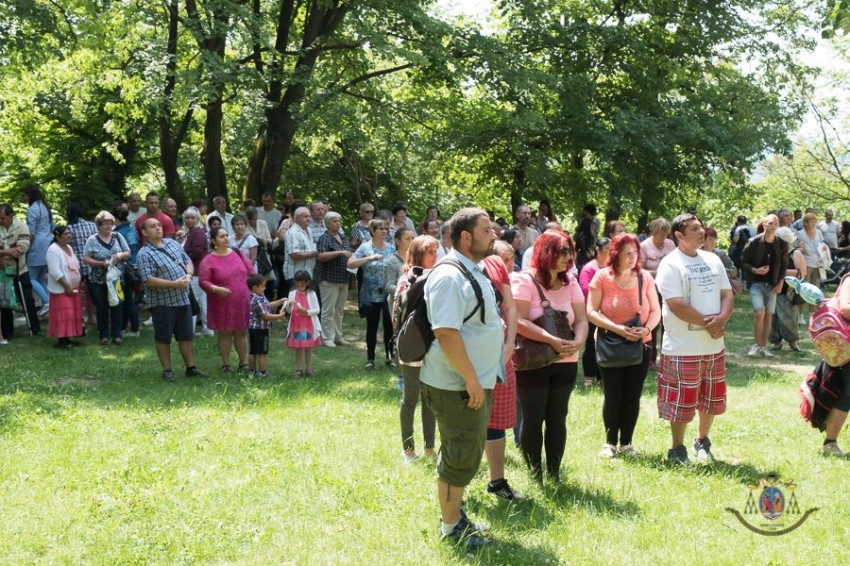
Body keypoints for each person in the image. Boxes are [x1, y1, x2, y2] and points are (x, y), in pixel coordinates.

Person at [419, 208, 503, 548]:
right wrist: (471, 380)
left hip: (469, 382)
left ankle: (454, 515)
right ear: (465, 237)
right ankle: (452, 528)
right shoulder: (450, 276)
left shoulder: (472, 270)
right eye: (486, 230)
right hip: (455, 385)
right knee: (460, 454)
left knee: (461, 450)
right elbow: (446, 332)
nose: (494, 235)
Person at [655, 214, 733, 464]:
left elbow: (727, 294)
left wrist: (721, 320)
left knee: (711, 399)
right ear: (679, 235)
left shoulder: (712, 259)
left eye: (701, 227)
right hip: (682, 348)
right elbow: (676, 304)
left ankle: (702, 440)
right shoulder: (670, 264)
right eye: (695, 229)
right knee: (681, 401)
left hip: (713, 345)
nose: (702, 232)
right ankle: (677, 449)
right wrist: (711, 324)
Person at [512, 230, 588, 484]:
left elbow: (582, 319)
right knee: (533, 419)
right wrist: (551, 340)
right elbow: (519, 320)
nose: (568, 257)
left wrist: (579, 341)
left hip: (566, 361)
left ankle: (554, 475)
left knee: (557, 418)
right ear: (546, 253)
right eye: (562, 251)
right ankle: (535, 476)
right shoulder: (525, 281)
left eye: (569, 251)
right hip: (533, 361)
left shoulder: (571, 282)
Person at [586, 233, 661, 458]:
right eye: (627, 253)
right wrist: (618, 329)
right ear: (615, 254)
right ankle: (610, 443)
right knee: (613, 396)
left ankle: (627, 443)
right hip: (610, 343)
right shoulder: (601, 277)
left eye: (635, 252)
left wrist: (646, 330)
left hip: (641, 344)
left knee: (632, 396)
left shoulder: (644, 277)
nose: (632, 257)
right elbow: (591, 312)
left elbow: (656, 310)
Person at [136, 218, 208, 381]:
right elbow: (148, 279)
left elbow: (187, 261)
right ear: (145, 232)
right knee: (164, 337)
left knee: (186, 335)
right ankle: (167, 370)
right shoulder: (144, 254)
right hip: (162, 303)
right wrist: (174, 284)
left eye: (159, 225)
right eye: (153, 226)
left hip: (183, 300)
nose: (158, 228)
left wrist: (189, 275)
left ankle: (191, 368)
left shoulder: (173, 244)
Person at [482, 240, 523, 500]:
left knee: (496, 420)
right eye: (506, 260)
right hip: (473, 358)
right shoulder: (461, 268)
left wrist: (510, 343)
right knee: (464, 422)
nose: (510, 265)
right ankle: (457, 488)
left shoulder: (497, 268)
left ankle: (496, 481)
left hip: (501, 356)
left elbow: (511, 308)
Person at [393, 235, 439, 463]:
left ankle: (430, 447)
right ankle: (408, 449)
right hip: (413, 345)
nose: (435, 255)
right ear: (419, 253)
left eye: (436, 250)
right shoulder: (407, 279)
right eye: (430, 251)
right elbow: (396, 315)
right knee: (410, 397)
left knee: (430, 400)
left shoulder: (439, 276)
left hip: (434, 345)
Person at [198, 226, 256, 373]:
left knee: (241, 332)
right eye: (221, 236)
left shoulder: (237, 252)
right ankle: (226, 364)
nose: (225, 238)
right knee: (225, 333)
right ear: (213, 241)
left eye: (226, 235)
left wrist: (254, 290)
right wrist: (216, 289)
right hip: (221, 302)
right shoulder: (208, 259)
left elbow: (251, 272)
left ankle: (243, 363)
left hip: (241, 301)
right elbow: (203, 281)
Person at [348, 218, 395, 369]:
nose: (384, 231)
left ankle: (390, 357)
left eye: (386, 229)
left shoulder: (391, 248)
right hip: (371, 293)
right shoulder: (365, 247)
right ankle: (370, 359)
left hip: (388, 292)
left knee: (389, 326)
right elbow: (350, 263)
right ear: (373, 231)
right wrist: (369, 258)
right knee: (372, 326)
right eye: (381, 229)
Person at [740, 214, 787, 357]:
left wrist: (780, 283)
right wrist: (755, 270)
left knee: (768, 315)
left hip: (772, 284)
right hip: (756, 283)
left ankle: (763, 346)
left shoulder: (781, 244)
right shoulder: (753, 242)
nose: (773, 226)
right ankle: (756, 344)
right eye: (770, 223)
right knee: (760, 312)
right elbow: (742, 262)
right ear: (764, 224)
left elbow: (784, 265)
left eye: (776, 224)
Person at [83, 211, 130, 345]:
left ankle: (117, 334)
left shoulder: (118, 236)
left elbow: (128, 252)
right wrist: (100, 263)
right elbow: (85, 259)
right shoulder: (92, 240)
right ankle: (103, 335)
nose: (108, 226)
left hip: (116, 278)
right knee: (101, 306)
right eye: (105, 224)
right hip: (98, 279)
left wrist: (120, 255)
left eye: (110, 223)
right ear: (98, 225)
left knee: (117, 305)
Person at [0, 204, 42, 338]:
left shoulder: (22, 226)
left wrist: (2, 252)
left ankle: (35, 329)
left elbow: (22, 248)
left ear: (10, 216)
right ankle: (7, 333)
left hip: (20, 270)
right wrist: (7, 252)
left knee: (28, 300)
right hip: (2, 272)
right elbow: (14, 250)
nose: (0, 220)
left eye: (2, 218)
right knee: (5, 303)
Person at [640, 217, 675, 369]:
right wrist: (659, 272)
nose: (663, 237)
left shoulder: (671, 244)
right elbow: (641, 270)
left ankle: (668, 357)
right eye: (660, 234)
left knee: (668, 322)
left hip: (669, 288)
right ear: (653, 232)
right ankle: (651, 359)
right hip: (652, 288)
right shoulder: (644, 246)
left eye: (665, 234)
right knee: (653, 323)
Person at [316, 211, 352, 347]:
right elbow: (321, 256)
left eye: (339, 221)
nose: (338, 223)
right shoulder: (325, 237)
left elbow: (349, 253)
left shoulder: (342, 237)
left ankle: (338, 336)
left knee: (339, 310)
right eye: (334, 221)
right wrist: (340, 252)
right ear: (327, 224)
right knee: (328, 310)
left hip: (343, 278)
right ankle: (327, 338)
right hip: (328, 278)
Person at [579, 237, 611, 387]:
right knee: (591, 344)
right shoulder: (589, 268)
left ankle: (602, 376)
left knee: (605, 344)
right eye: (608, 249)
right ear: (598, 250)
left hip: (608, 312)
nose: (611, 252)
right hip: (592, 311)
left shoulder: (612, 267)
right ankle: (589, 377)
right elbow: (585, 288)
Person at [46, 225, 83, 349]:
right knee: (63, 314)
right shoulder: (53, 250)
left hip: (74, 288)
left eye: (69, 233)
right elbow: (55, 271)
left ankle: (68, 339)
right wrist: (66, 285)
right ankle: (62, 341)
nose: (69, 236)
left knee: (71, 314)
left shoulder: (69, 247)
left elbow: (75, 265)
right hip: (62, 289)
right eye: (66, 234)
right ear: (58, 237)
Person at [769, 227, 805, 352]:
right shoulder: (772, 253)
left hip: (788, 291)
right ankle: (776, 341)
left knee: (788, 319)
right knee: (772, 318)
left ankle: (792, 342)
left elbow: (802, 273)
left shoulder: (795, 253)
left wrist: (782, 272)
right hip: (772, 290)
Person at [247, 274, 288, 377]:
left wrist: (280, 301)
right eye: (262, 286)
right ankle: (263, 372)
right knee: (262, 352)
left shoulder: (258, 296)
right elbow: (265, 316)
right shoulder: (257, 300)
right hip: (260, 330)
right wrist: (280, 316)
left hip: (253, 329)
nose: (265, 288)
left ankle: (252, 371)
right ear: (255, 288)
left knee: (253, 351)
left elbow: (268, 305)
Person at [181, 206, 213, 337]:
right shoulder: (190, 232)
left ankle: (190, 329)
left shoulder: (198, 232)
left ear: (198, 219)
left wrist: (181, 259)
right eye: (187, 217)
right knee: (202, 300)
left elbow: (197, 253)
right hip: (198, 271)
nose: (190, 220)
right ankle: (208, 328)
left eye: (193, 218)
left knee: (193, 300)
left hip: (196, 271)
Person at [24, 184, 53, 317]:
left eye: (25, 195)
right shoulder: (45, 207)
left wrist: (25, 245)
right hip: (48, 243)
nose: (25, 198)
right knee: (41, 278)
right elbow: (52, 226)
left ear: (30, 195)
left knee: (30, 278)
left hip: (37, 246)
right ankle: (47, 306)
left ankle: (47, 302)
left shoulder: (33, 209)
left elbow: (31, 232)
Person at [286, 269, 321, 377]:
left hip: (308, 325)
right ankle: (299, 368)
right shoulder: (292, 294)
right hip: (296, 325)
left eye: (302, 285)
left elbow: (317, 310)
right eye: (297, 285)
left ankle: (309, 368)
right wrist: (289, 305)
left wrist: (307, 312)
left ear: (307, 283)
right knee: (298, 347)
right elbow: (289, 311)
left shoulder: (311, 294)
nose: (299, 288)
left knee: (308, 347)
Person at [67, 202, 97, 326]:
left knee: (78, 293)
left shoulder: (69, 229)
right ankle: (93, 316)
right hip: (92, 264)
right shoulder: (92, 226)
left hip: (76, 266)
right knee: (93, 293)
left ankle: (80, 317)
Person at [114, 201, 141, 338]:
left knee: (127, 299)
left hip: (126, 269)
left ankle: (134, 328)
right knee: (128, 298)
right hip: (135, 267)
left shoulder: (118, 233)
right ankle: (125, 326)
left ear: (116, 218)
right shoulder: (133, 230)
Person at [282, 207, 317, 292]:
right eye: (305, 216)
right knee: (296, 299)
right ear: (296, 218)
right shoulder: (293, 232)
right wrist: (314, 253)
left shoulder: (309, 230)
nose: (308, 219)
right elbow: (294, 254)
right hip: (295, 275)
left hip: (308, 274)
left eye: (309, 216)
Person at [797, 212, 826, 293]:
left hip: (818, 264)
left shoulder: (819, 232)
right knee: (805, 289)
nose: (814, 224)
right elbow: (798, 249)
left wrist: (824, 247)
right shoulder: (800, 234)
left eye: (815, 222)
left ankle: (813, 302)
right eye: (811, 222)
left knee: (815, 289)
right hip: (806, 265)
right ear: (805, 223)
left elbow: (822, 243)